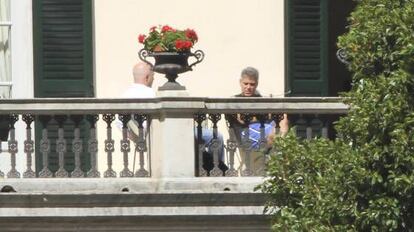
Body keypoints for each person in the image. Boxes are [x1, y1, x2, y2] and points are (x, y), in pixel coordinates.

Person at [227, 66, 288, 174]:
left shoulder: (260, 99)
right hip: (246, 133)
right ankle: (277, 150)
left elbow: (271, 115)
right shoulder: (234, 100)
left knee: (283, 116)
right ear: (240, 82)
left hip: (263, 130)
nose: (248, 87)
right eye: (245, 84)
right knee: (273, 135)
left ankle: (279, 144)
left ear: (257, 84)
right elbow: (241, 120)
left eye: (252, 84)